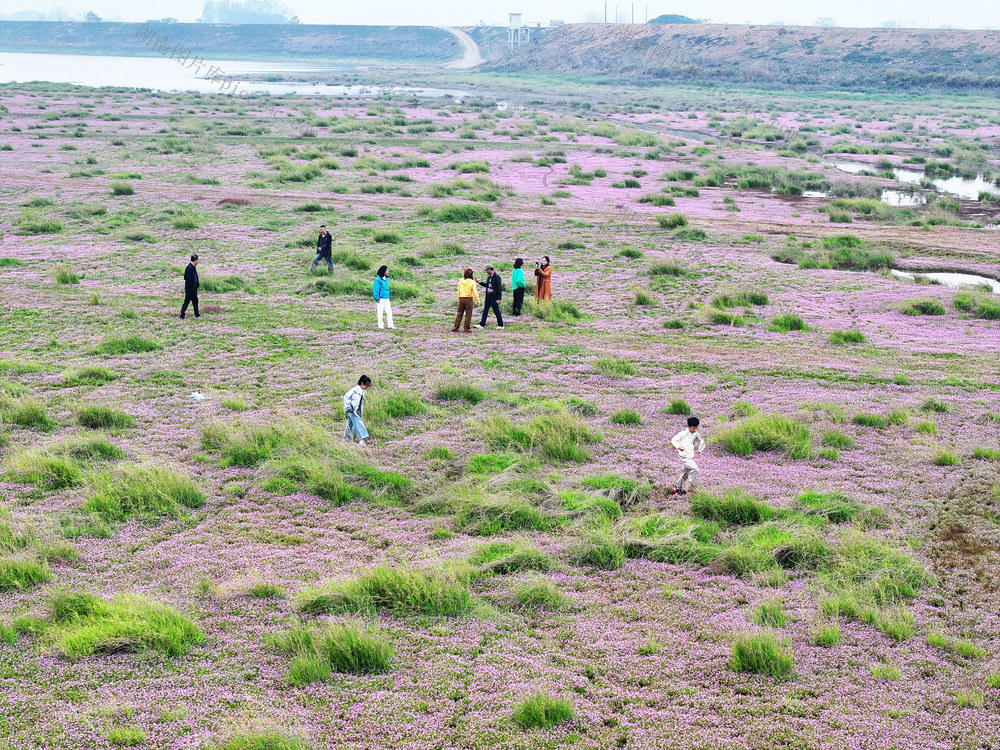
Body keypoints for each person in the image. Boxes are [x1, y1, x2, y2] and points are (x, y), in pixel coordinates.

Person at [670, 416, 705, 496]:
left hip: (690, 456)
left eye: (696, 428)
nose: (695, 429)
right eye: (693, 428)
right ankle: (688, 487)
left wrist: (700, 449)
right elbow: (673, 439)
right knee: (695, 469)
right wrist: (678, 447)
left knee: (685, 472)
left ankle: (677, 488)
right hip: (684, 456)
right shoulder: (683, 433)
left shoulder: (696, 434)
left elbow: (702, 441)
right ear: (688, 426)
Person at [343, 375, 372, 446]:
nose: (367, 388)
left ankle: (347, 439)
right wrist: (349, 407)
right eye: (366, 386)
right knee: (358, 423)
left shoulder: (361, 390)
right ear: (362, 383)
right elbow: (346, 397)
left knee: (350, 424)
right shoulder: (355, 389)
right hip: (351, 409)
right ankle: (361, 439)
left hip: (355, 409)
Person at [475, 265, 504, 329]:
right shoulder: (489, 277)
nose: (486, 271)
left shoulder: (497, 277)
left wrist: (499, 298)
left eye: (486, 270)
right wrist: (480, 283)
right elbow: (487, 285)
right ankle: (482, 324)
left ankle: (501, 325)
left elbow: (499, 288)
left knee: (496, 311)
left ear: (490, 269)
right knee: (485, 311)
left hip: (494, 297)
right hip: (488, 296)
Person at [452, 268, 480, 332]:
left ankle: (455, 327)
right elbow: (475, 292)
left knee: (459, 314)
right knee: (468, 315)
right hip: (468, 299)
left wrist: (458, 298)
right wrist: (478, 300)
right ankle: (467, 328)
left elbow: (458, 290)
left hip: (461, 298)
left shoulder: (461, 281)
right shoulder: (472, 282)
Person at [373, 265, 394, 330]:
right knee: (380, 312)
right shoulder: (378, 279)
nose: (387, 272)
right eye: (386, 270)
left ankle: (390, 325)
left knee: (389, 312)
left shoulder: (386, 278)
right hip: (381, 298)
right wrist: (377, 298)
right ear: (383, 271)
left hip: (386, 298)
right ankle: (380, 325)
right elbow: (375, 289)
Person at [180, 253, 200, 319]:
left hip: (193, 288)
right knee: (187, 301)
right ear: (196, 260)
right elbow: (187, 279)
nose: (198, 261)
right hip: (190, 288)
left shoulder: (193, 267)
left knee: (195, 301)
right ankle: (182, 315)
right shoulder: (189, 268)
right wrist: (192, 287)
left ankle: (197, 314)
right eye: (198, 260)